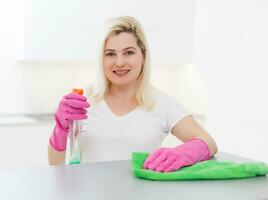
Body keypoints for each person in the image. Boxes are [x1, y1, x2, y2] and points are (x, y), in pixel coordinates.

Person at [48, 16, 218, 172]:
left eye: (129, 52)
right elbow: (55, 164)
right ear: (102, 58)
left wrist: (182, 154)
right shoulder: (82, 103)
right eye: (110, 54)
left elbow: (209, 143)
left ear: (143, 56)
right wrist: (60, 129)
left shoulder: (162, 103)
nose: (119, 62)